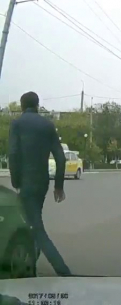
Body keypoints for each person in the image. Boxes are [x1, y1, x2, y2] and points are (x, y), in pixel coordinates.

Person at [8, 91, 71, 277]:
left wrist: (16, 181)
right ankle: (29, 267)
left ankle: (63, 271)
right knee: (32, 222)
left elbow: (13, 154)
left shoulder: (17, 124)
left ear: (22, 106)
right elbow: (60, 157)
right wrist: (58, 186)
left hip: (25, 183)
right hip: (42, 182)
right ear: (37, 105)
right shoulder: (47, 125)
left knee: (36, 227)